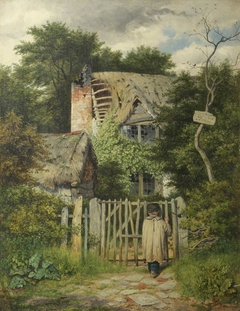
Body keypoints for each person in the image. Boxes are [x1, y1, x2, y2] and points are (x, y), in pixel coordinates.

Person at [142, 203, 171, 278]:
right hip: (157, 243)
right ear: (158, 211)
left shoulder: (146, 221)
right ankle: (153, 271)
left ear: (148, 212)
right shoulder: (161, 222)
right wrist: (167, 222)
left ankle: (152, 270)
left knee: (150, 255)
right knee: (155, 256)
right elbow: (168, 232)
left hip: (149, 243)